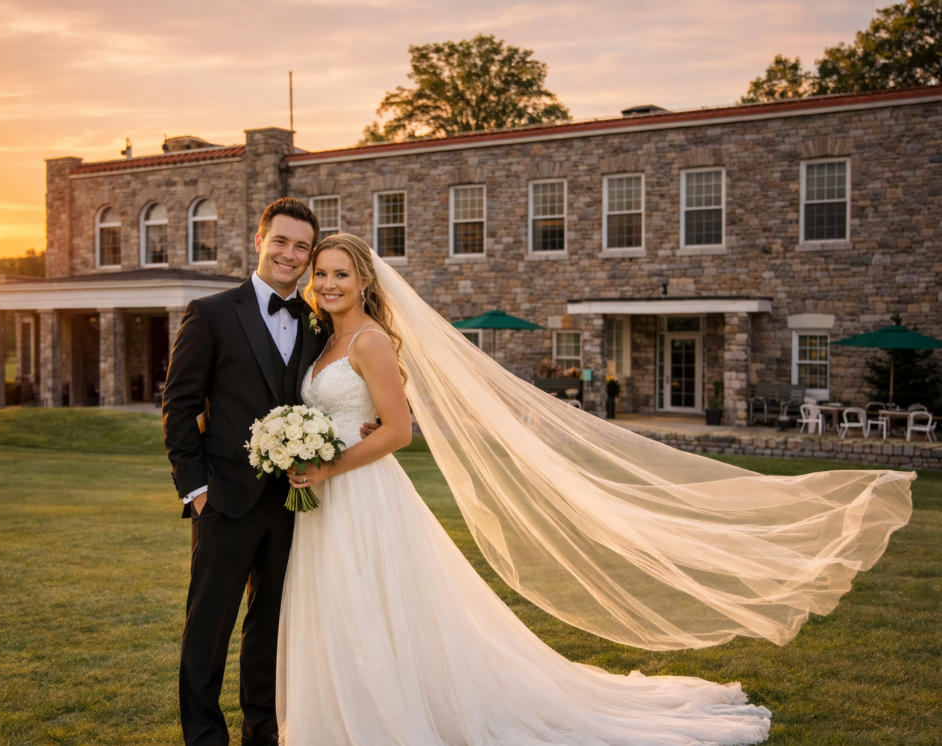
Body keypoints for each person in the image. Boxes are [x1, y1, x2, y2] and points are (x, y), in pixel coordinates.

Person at [275, 233, 914, 746]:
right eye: (320, 274)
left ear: (364, 281)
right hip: (326, 496)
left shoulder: (370, 339)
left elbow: (400, 431)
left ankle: (383, 718)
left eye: (340, 273)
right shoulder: (322, 339)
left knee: (372, 599)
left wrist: (328, 465)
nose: (328, 283)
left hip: (359, 492)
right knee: (341, 601)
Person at [162, 199, 378, 746]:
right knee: (208, 629)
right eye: (281, 241)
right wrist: (197, 490)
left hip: (294, 504)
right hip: (225, 501)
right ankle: (204, 737)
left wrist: (367, 424)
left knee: (272, 629)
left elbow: (343, 386)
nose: (291, 254)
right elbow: (179, 405)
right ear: (259, 240)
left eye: (302, 246)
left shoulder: (317, 321)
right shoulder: (210, 312)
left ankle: (262, 730)